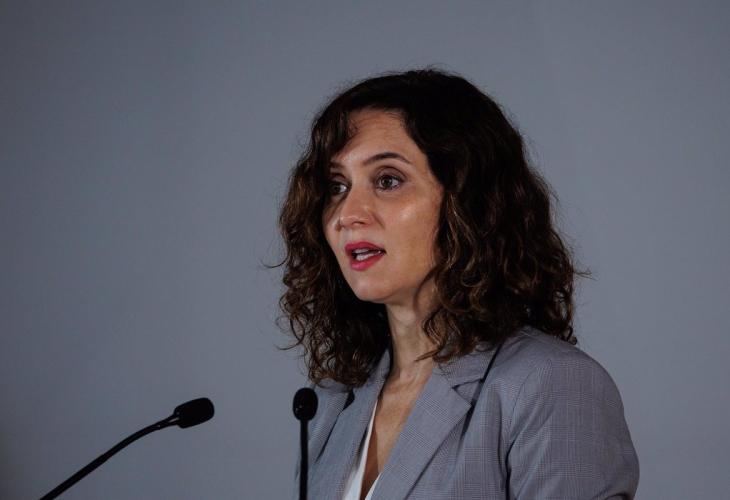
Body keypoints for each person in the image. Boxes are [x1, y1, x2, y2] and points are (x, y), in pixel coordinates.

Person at [276, 69, 639, 499]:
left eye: (388, 180)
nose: (347, 214)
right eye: (337, 185)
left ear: (469, 203)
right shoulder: (332, 400)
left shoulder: (550, 385)